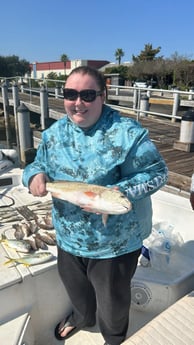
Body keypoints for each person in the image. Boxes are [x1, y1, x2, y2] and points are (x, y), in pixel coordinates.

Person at [22, 66, 168, 345]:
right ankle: (82, 317)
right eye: (70, 94)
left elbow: (158, 173)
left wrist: (113, 193)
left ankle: (113, 338)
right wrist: (34, 175)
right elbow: (38, 163)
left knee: (112, 301)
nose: (78, 103)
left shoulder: (127, 134)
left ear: (103, 96)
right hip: (68, 236)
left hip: (115, 242)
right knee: (76, 289)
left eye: (88, 95)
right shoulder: (53, 134)